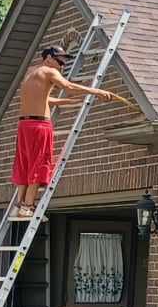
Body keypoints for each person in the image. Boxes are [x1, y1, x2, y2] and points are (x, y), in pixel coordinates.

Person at [12, 44, 123, 219]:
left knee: (25, 163)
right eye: (60, 60)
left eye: (64, 61)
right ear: (48, 58)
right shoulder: (50, 71)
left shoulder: (32, 71)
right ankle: (27, 207)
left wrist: (65, 103)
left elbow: (40, 98)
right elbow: (69, 87)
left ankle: (18, 205)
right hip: (40, 126)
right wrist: (97, 91)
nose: (62, 65)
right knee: (39, 163)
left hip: (24, 125)